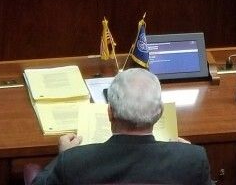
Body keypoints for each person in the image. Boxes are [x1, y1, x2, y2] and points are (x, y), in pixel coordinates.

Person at [32, 68, 212, 185]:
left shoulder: (74, 162)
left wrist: (63, 156)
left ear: (110, 112)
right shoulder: (192, 159)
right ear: (160, 112)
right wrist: (185, 156)